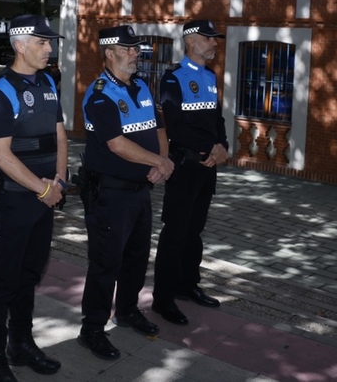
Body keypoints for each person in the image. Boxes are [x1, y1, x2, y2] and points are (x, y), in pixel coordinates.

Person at [76, 25, 175, 360]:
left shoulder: (143, 86)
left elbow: (159, 128)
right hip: (110, 193)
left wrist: (162, 162)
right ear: (109, 52)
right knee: (105, 263)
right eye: (128, 48)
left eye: (137, 48)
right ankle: (91, 329)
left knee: (135, 257)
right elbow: (117, 145)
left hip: (139, 191)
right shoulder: (100, 93)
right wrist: (159, 163)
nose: (136, 52)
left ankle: (128, 310)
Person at [0, 14, 67, 382]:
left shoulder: (48, 80)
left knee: (30, 274)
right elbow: (0, 155)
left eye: (50, 42)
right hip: (17, 199)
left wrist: (59, 181)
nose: (50, 48)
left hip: (46, 196)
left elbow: (60, 137)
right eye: (42, 42)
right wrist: (44, 188)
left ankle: (21, 343)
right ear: (20, 46)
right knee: (5, 278)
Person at [151, 19, 229, 327]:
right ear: (191, 41)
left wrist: (221, 145)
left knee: (194, 232)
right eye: (208, 39)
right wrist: (212, 147)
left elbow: (217, 119)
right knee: (175, 233)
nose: (213, 44)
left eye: (214, 39)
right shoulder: (173, 79)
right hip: (184, 166)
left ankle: (187, 284)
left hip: (207, 167)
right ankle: (163, 298)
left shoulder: (210, 76)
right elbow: (177, 127)